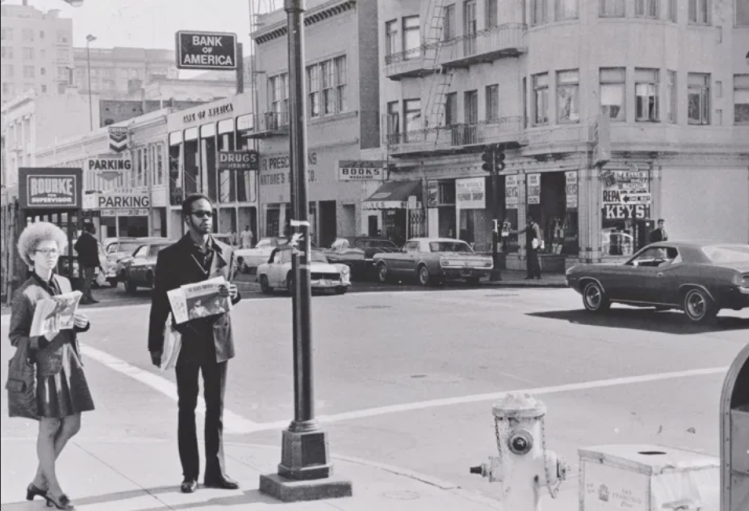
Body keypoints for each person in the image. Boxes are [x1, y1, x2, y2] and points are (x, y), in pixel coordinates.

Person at [148, 193, 241, 494]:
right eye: (200, 214)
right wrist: (154, 345)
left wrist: (234, 294)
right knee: (187, 407)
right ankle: (190, 473)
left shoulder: (226, 251)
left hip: (218, 341)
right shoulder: (170, 256)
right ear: (187, 219)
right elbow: (159, 303)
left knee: (216, 408)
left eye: (210, 213)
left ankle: (216, 472)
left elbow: (229, 293)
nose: (207, 219)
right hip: (187, 341)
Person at [9, 222, 92, 510]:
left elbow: (70, 321)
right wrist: (42, 338)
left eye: (54, 251)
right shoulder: (25, 293)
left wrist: (81, 324)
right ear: (31, 256)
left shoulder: (65, 284)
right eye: (44, 251)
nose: (50, 256)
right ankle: (54, 490)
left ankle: (39, 481)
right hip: (43, 367)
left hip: (69, 361)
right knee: (49, 427)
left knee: (73, 424)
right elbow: (15, 337)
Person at [73, 223, 99, 305]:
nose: (95, 229)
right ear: (91, 229)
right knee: (88, 280)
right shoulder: (93, 240)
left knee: (86, 279)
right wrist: (98, 263)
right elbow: (95, 253)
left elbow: (76, 247)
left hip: (82, 261)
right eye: (94, 228)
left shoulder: (82, 237)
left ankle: (89, 296)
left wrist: (83, 254)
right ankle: (84, 297)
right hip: (90, 262)